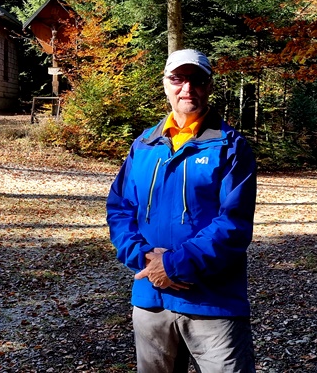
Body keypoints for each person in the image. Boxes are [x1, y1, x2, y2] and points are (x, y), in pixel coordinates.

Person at [106, 48, 258, 373]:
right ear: (165, 84)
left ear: (210, 86)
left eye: (197, 80)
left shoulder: (231, 147)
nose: (187, 88)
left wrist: (173, 265)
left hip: (214, 303)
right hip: (151, 299)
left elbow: (233, 225)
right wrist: (144, 258)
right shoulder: (144, 146)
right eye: (178, 79)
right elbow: (119, 208)